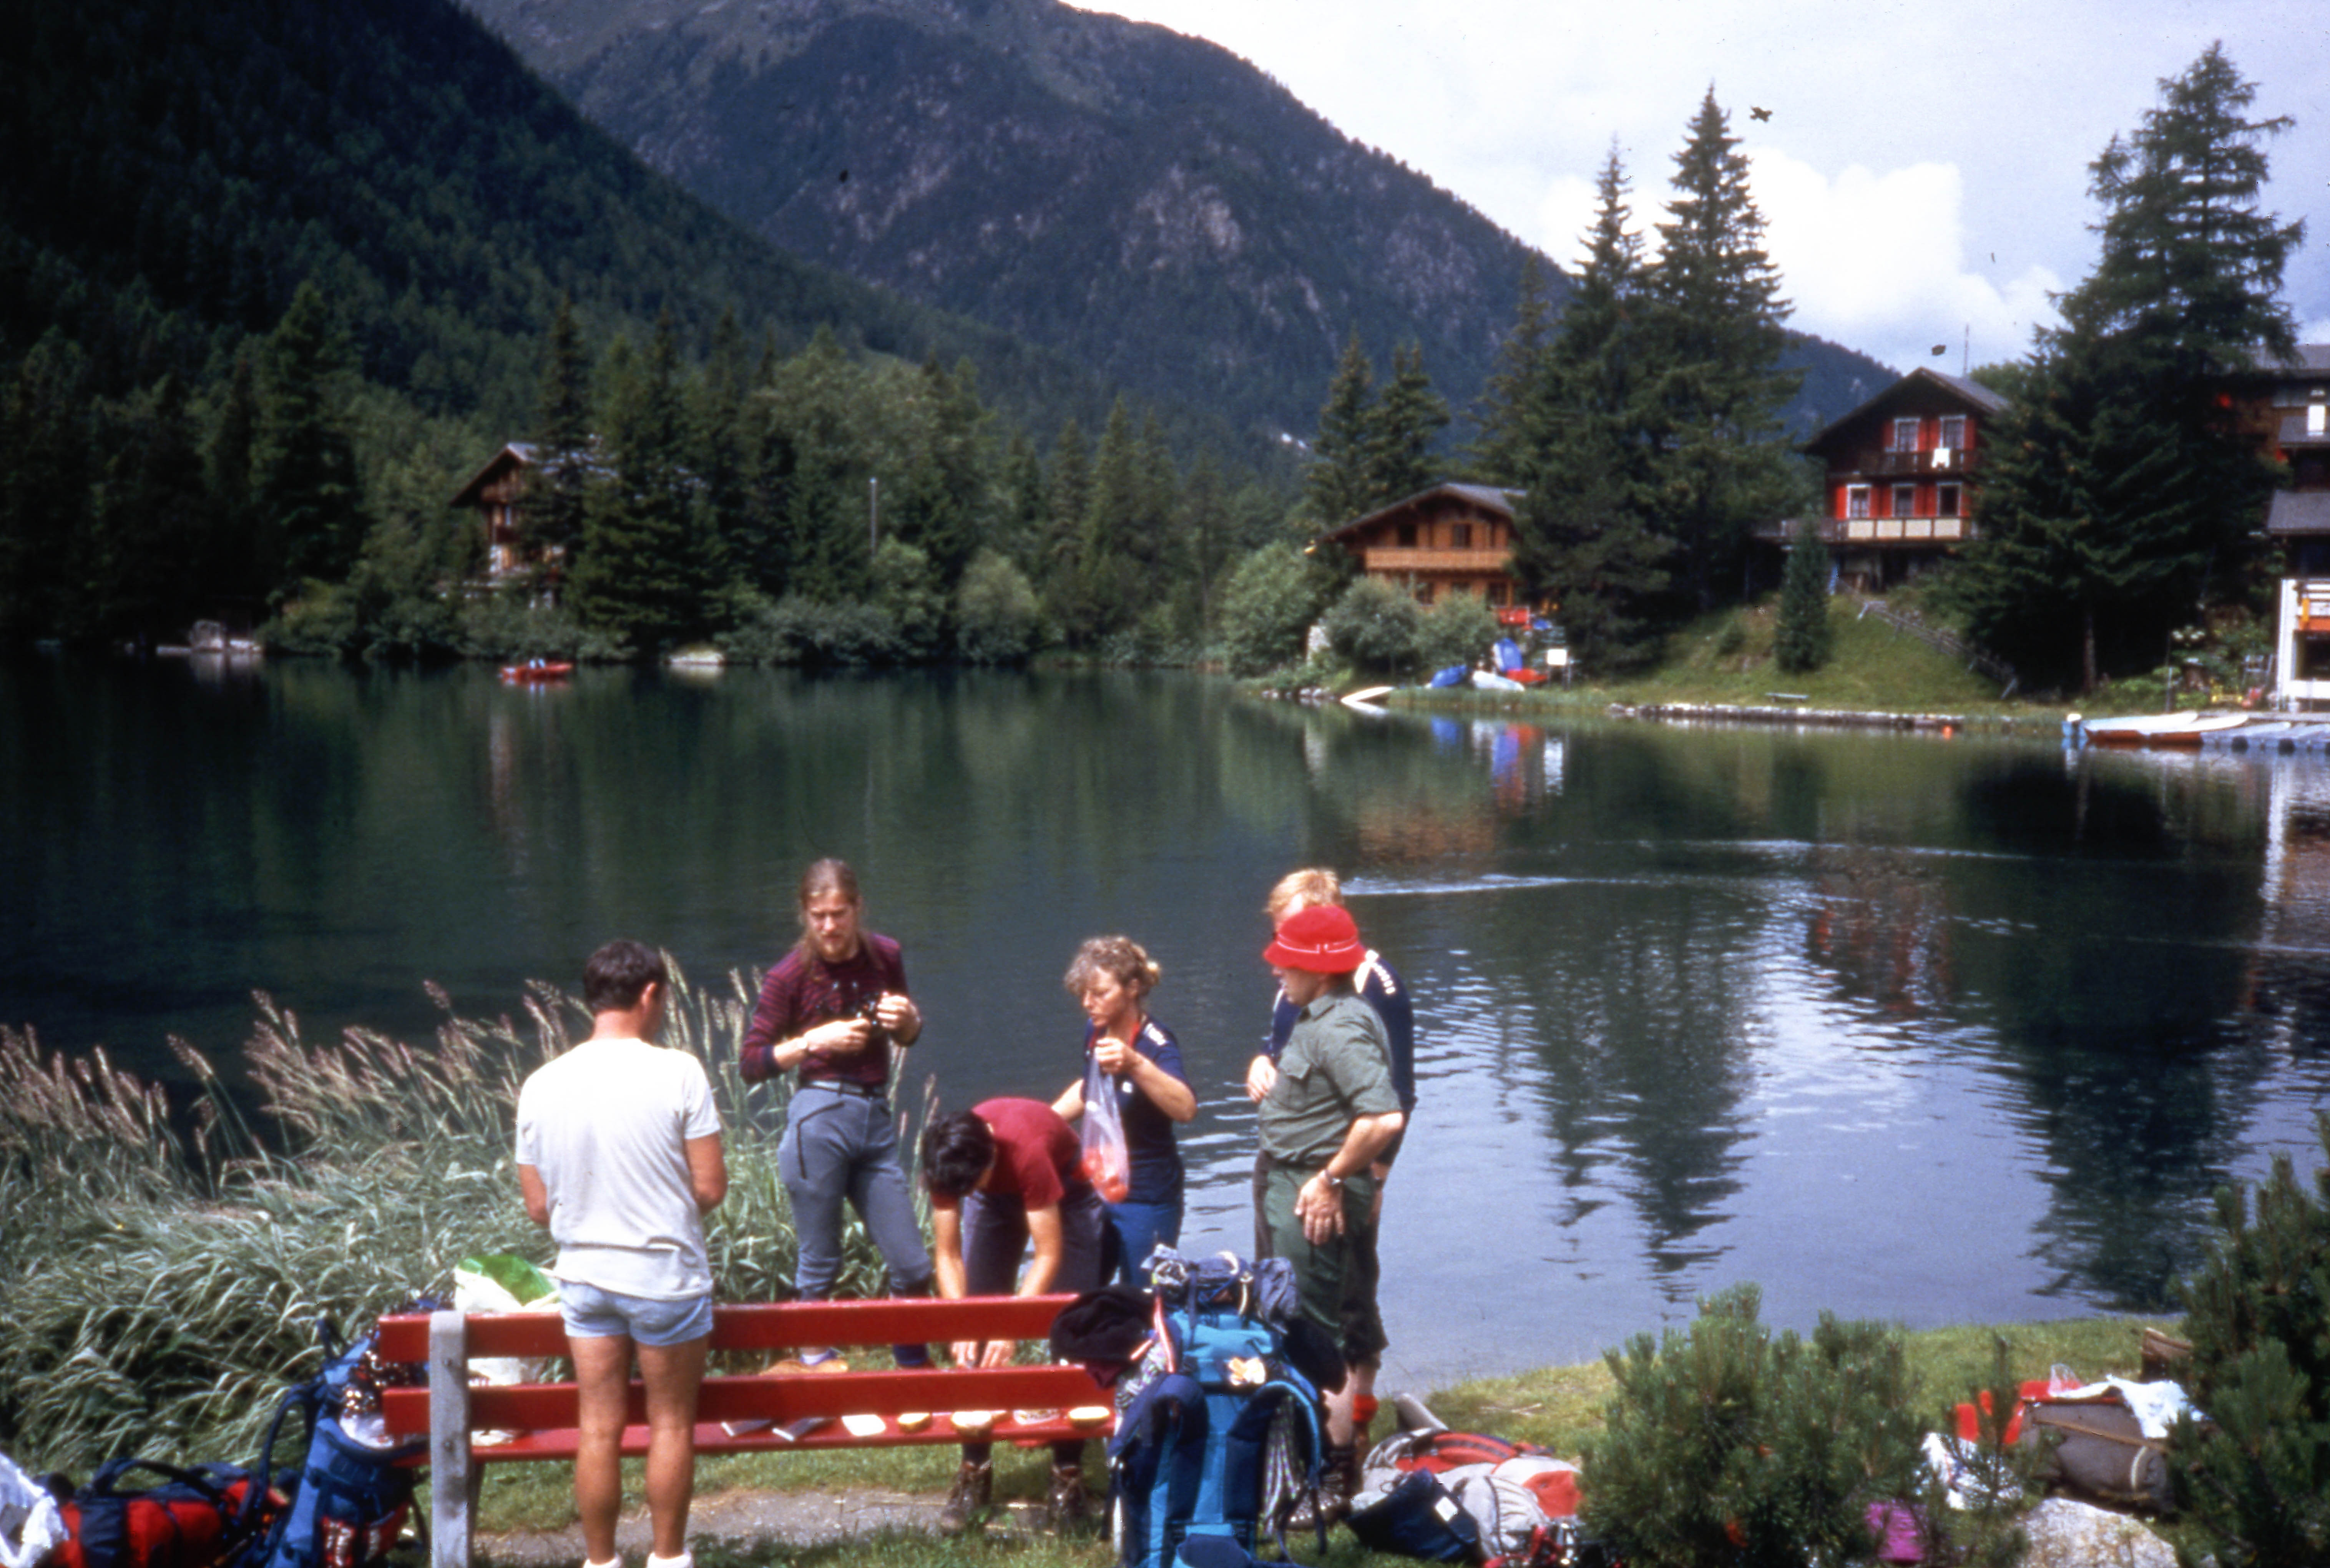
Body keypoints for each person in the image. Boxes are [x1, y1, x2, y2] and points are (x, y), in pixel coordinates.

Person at [516, 940, 726, 1568]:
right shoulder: (679, 1071)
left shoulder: (540, 1084)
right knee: (670, 1425)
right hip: (663, 1277)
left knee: (598, 1428)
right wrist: (659, 1206)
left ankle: (601, 1562)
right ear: (650, 994)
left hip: (585, 1278)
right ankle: (667, 1559)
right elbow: (711, 1187)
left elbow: (537, 1207)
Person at [738, 859, 933, 1368]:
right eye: (818, 916)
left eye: (838, 914)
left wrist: (908, 1019)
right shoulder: (788, 976)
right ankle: (813, 1361)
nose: (828, 926)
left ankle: (912, 1366)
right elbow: (751, 1064)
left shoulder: (885, 955)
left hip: (875, 1117)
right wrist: (811, 1041)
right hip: (818, 1115)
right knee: (820, 1261)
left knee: (913, 1266)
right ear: (804, 914)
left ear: (857, 908)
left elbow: (908, 1035)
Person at [1246, 867, 1413, 1447]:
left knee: (1329, 1321)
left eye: (1286, 948)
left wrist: (1343, 1178)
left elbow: (1388, 1108)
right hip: (1294, 1175)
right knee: (1292, 1309)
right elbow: (1290, 1053)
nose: (1275, 962)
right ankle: (1321, 1448)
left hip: (1321, 1184)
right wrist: (1261, 1062)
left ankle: (1335, 1456)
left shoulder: (1362, 1000)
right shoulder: (1311, 999)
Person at [921, 1101, 1111, 1537]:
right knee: (977, 1320)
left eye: (974, 1185)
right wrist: (964, 1321)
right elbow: (947, 1255)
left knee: (1072, 1327)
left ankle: (1067, 1476)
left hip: (1068, 1194)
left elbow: (1048, 1253)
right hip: (998, 1200)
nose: (967, 1194)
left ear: (990, 1156)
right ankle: (974, 1470)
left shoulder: (1027, 1151)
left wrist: (1011, 1326)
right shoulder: (947, 1160)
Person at [1048, 936, 1194, 1285]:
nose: (1088, 1003)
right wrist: (1043, 1121)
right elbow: (1088, 1089)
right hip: (1098, 1187)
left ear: (1132, 988)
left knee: (1142, 1301)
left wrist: (1135, 1064)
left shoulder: (1156, 1043)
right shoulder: (1096, 1029)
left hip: (1146, 1198)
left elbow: (1186, 1108)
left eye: (1100, 993)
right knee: (1080, 1294)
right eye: (1084, 993)